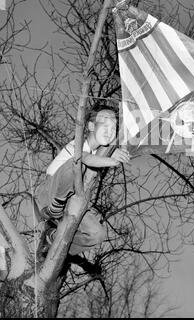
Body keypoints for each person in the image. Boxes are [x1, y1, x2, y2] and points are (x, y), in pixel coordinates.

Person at [36, 105, 130, 259]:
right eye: (105, 125)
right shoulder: (78, 145)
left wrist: (113, 150)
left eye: (113, 127)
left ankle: (54, 239)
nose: (109, 131)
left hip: (71, 203)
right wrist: (111, 160)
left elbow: (96, 158)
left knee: (97, 234)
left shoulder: (99, 152)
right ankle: (55, 207)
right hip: (50, 193)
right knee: (76, 163)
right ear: (91, 126)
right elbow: (86, 158)